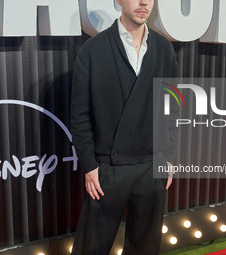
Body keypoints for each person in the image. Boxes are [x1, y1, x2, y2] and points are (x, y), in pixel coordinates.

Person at [70, 0, 178, 254]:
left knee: (146, 247)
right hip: (107, 168)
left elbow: (172, 108)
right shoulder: (93, 50)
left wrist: (169, 157)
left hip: (153, 165)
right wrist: (90, 165)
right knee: (91, 247)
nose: (144, 3)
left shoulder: (164, 50)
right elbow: (80, 114)